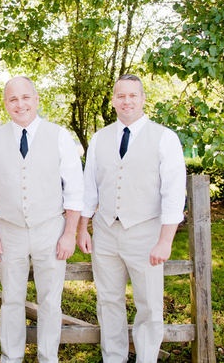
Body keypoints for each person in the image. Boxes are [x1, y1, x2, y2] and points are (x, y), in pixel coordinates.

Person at [76, 74, 186, 363]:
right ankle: (114, 357)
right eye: (120, 96)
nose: (126, 101)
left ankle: (146, 358)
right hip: (105, 232)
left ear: (143, 99)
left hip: (146, 232)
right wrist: (82, 229)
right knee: (108, 300)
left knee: (148, 303)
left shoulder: (165, 138)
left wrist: (165, 241)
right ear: (113, 100)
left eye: (132, 95)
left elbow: (174, 193)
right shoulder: (99, 138)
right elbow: (90, 189)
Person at [0, 76, 84, 363]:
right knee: (11, 299)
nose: (20, 104)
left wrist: (68, 234)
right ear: (6, 104)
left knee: (50, 301)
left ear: (36, 100)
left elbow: (75, 191)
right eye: (13, 99)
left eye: (26, 97)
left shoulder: (59, 135)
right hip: (9, 231)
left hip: (51, 229)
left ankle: (47, 358)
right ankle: (10, 357)